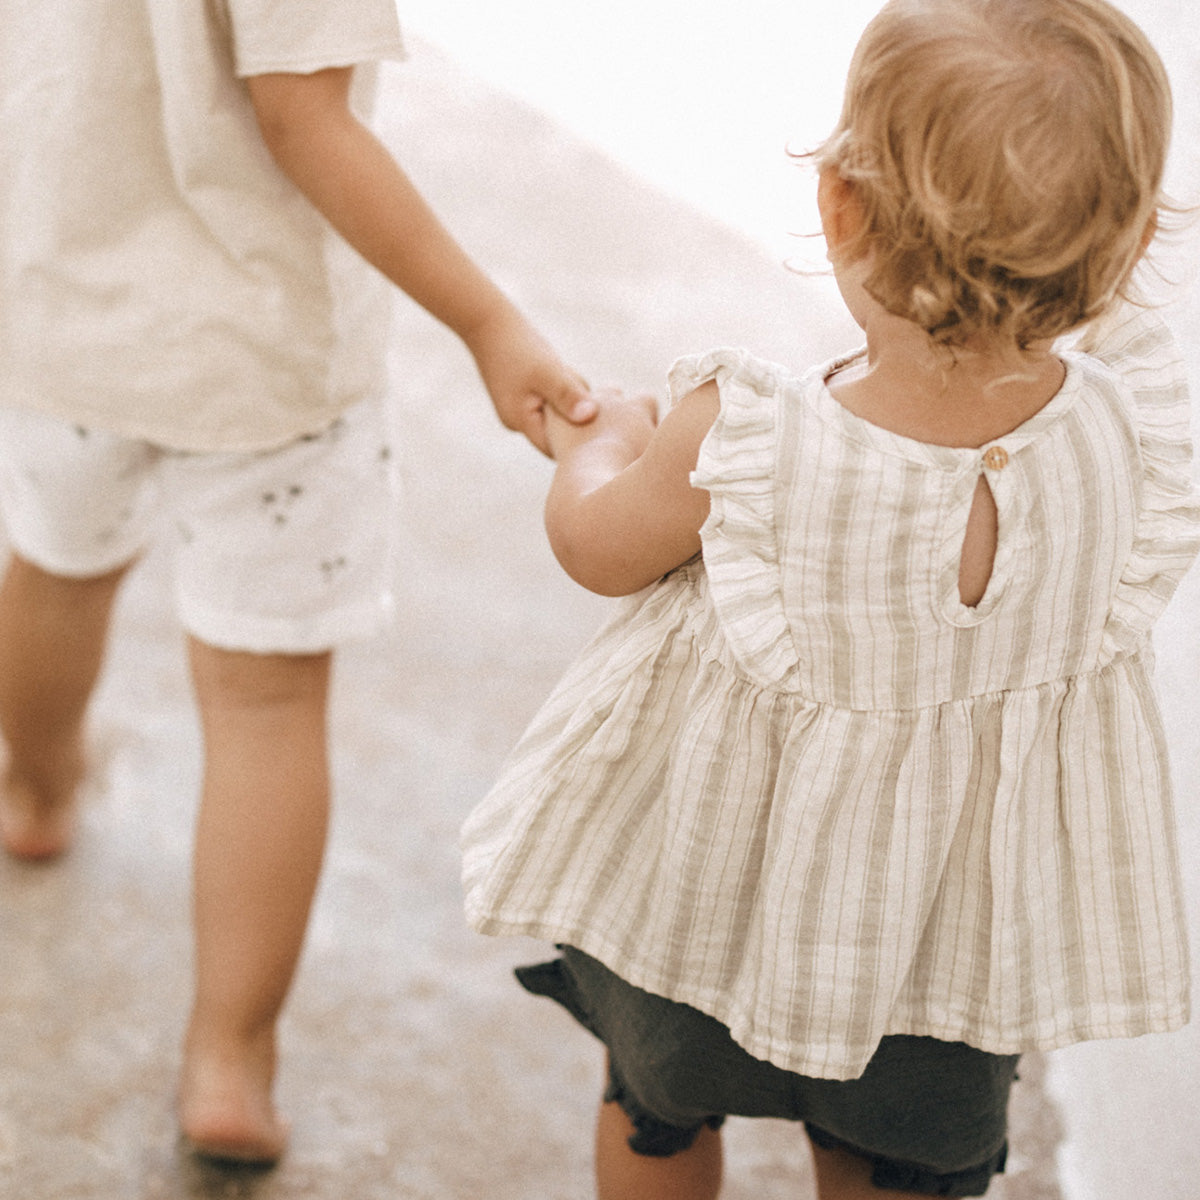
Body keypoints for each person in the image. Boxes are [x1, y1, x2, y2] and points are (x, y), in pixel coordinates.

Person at [460, 0, 1200, 1196]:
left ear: (840, 205)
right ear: (1120, 253)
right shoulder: (1135, 430)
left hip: (707, 907)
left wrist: (607, 443)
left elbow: (598, 548)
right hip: (941, 954)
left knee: (656, 1108)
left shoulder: (745, 438)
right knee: (895, 1163)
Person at [0, 0, 593, 1168]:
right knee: (264, 702)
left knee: (55, 571)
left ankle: (33, 791)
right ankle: (231, 1053)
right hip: (263, 358)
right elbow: (305, 118)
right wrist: (488, 322)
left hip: (63, 307)